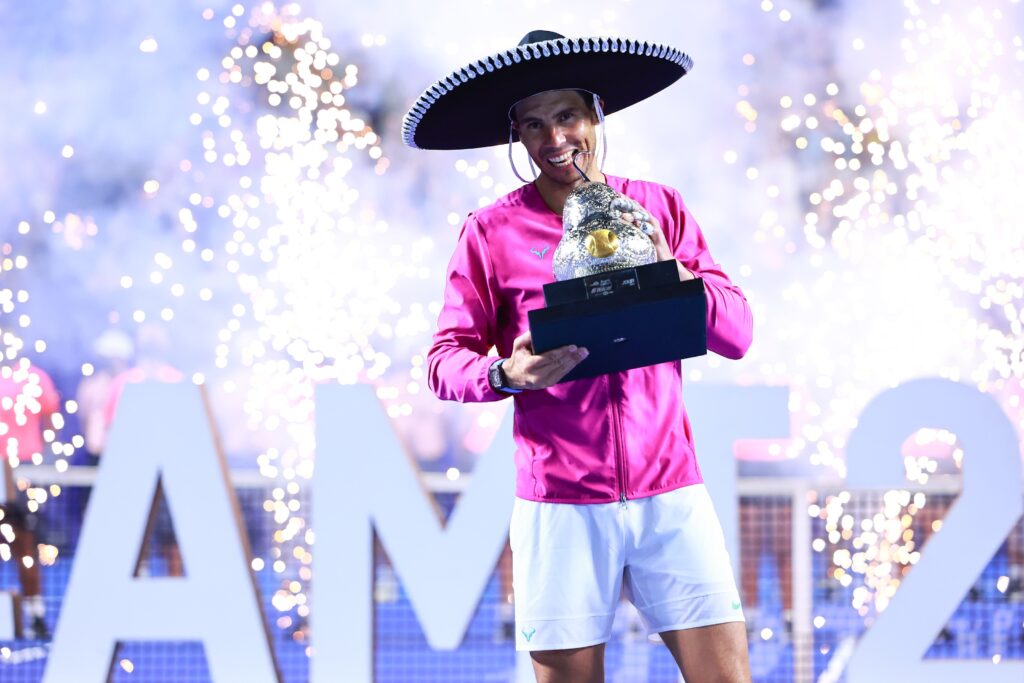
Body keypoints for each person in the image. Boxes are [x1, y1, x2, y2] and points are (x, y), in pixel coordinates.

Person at [404, 30, 754, 682]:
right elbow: (443, 359)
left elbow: (737, 331)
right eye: (532, 124)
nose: (554, 139)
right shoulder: (491, 231)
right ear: (517, 137)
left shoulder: (659, 208)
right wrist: (505, 372)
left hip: (671, 493)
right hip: (559, 504)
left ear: (596, 114)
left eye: (566, 115)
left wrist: (673, 273)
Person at [0, 358, 58, 640]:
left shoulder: (35, 377)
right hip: (21, 473)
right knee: (25, 549)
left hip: (22, 474)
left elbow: (51, 419)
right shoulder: (35, 377)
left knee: (26, 549)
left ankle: (35, 616)